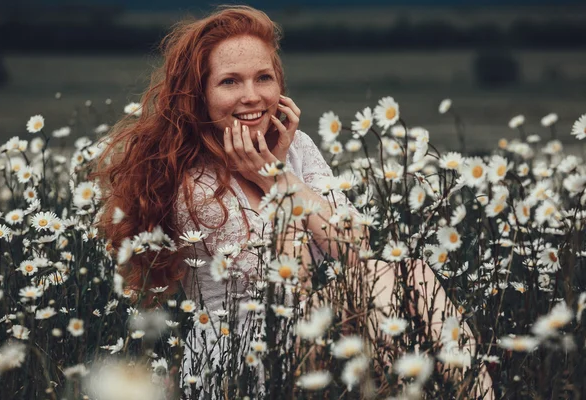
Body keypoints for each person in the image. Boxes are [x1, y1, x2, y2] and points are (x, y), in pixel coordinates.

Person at [93, 5, 492, 399]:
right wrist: (276, 182)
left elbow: (356, 247)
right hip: (241, 357)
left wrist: (277, 174)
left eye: (263, 78)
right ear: (199, 96)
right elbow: (287, 288)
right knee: (389, 290)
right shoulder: (192, 181)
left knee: (413, 274)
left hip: (324, 328)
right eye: (230, 82)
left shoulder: (295, 148)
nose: (251, 96)